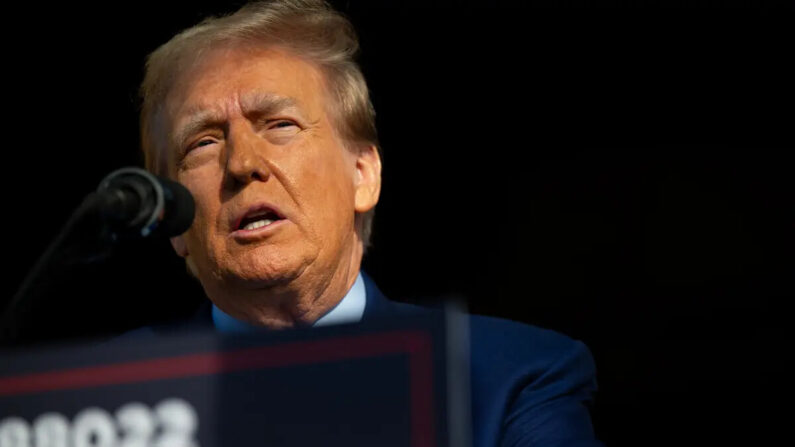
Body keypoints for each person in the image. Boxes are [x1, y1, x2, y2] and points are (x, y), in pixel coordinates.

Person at [135, 1, 602, 445]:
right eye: (202, 143)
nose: (241, 164)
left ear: (363, 175)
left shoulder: (507, 381)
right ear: (174, 224)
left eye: (279, 124)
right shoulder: (111, 396)